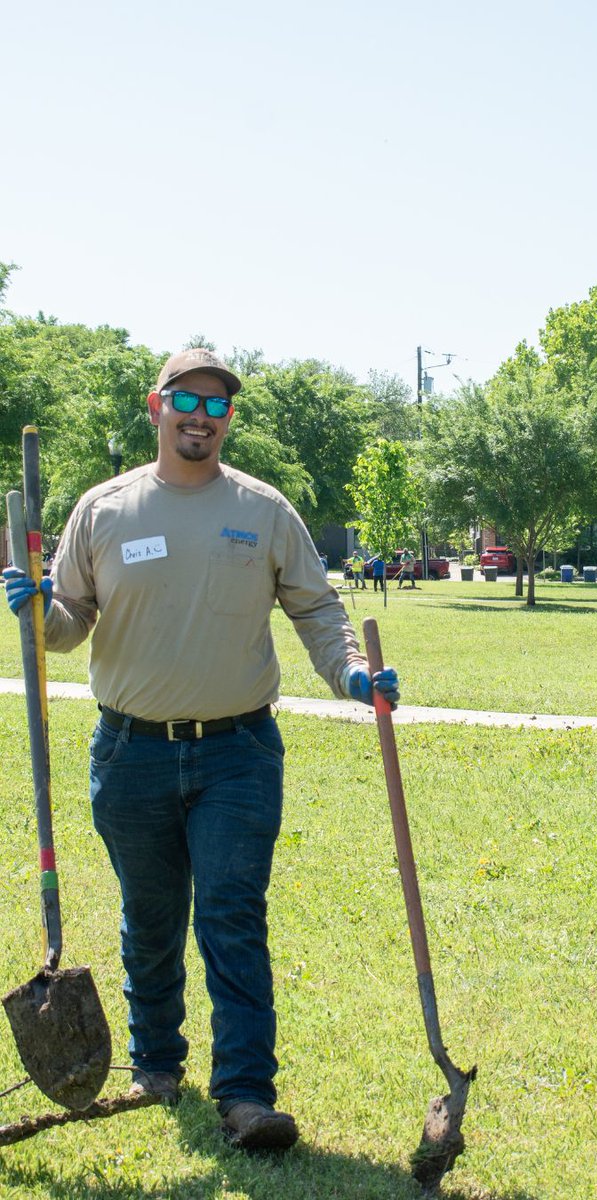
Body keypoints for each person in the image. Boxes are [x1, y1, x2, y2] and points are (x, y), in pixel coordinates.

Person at [3, 347, 400, 1151]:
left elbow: (318, 612)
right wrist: (36, 608)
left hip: (238, 752)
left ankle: (247, 1094)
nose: (201, 418)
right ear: (157, 407)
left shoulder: (263, 511)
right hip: (131, 753)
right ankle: (156, 1065)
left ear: (228, 421)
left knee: (230, 914)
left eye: (218, 407)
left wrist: (353, 673)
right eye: (188, 401)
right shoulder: (104, 510)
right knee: (149, 919)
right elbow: (69, 625)